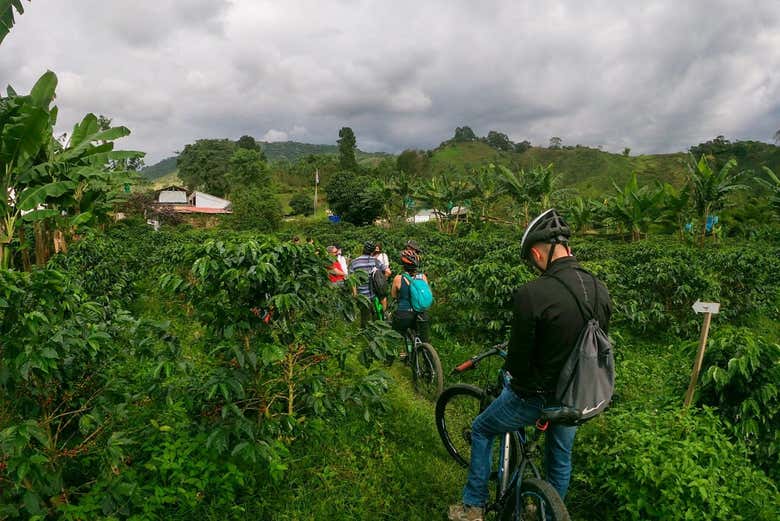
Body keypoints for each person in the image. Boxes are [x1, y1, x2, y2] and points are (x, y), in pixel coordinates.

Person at [448, 209, 612, 521]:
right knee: (559, 460)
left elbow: (518, 365)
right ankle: (549, 512)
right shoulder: (599, 288)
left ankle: (473, 506)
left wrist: (516, 383)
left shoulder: (531, 293)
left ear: (537, 253)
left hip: (537, 397)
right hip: (577, 396)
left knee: (482, 429)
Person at [390, 250, 430, 346]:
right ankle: (426, 355)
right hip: (421, 315)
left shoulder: (398, 278)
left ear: (403, 265)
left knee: (392, 337)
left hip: (404, 314)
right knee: (424, 340)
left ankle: (389, 359)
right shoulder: (423, 277)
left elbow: (393, 296)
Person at [348, 241, 390, 326]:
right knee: (376, 315)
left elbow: (352, 280)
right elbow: (388, 272)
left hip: (362, 295)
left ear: (363, 250)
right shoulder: (375, 261)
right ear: (372, 251)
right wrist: (382, 281)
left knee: (365, 318)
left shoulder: (354, 262)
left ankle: (365, 334)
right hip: (374, 294)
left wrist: (355, 294)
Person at [373, 243, 391, 309]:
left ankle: (384, 312)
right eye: (375, 248)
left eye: (378, 248)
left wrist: (385, 278)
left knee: (382, 296)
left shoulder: (383, 255)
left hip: (381, 276)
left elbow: (387, 267)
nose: (377, 249)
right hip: (372, 278)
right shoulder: (371, 256)